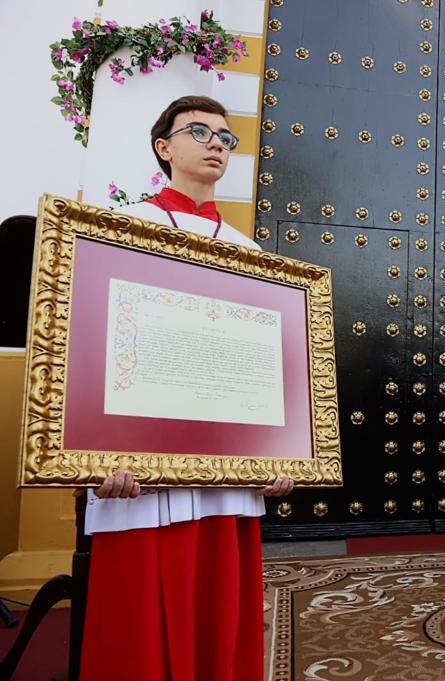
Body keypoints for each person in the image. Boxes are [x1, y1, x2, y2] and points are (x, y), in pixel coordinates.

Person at [80, 95, 294, 681]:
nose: (216, 144)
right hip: (141, 470)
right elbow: (95, 346)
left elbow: (266, 368)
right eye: (199, 131)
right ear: (163, 147)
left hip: (226, 474)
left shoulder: (252, 256)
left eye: (226, 137)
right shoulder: (120, 231)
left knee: (220, 617)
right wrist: (95, 453)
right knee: (140, 628)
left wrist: (282, 454)